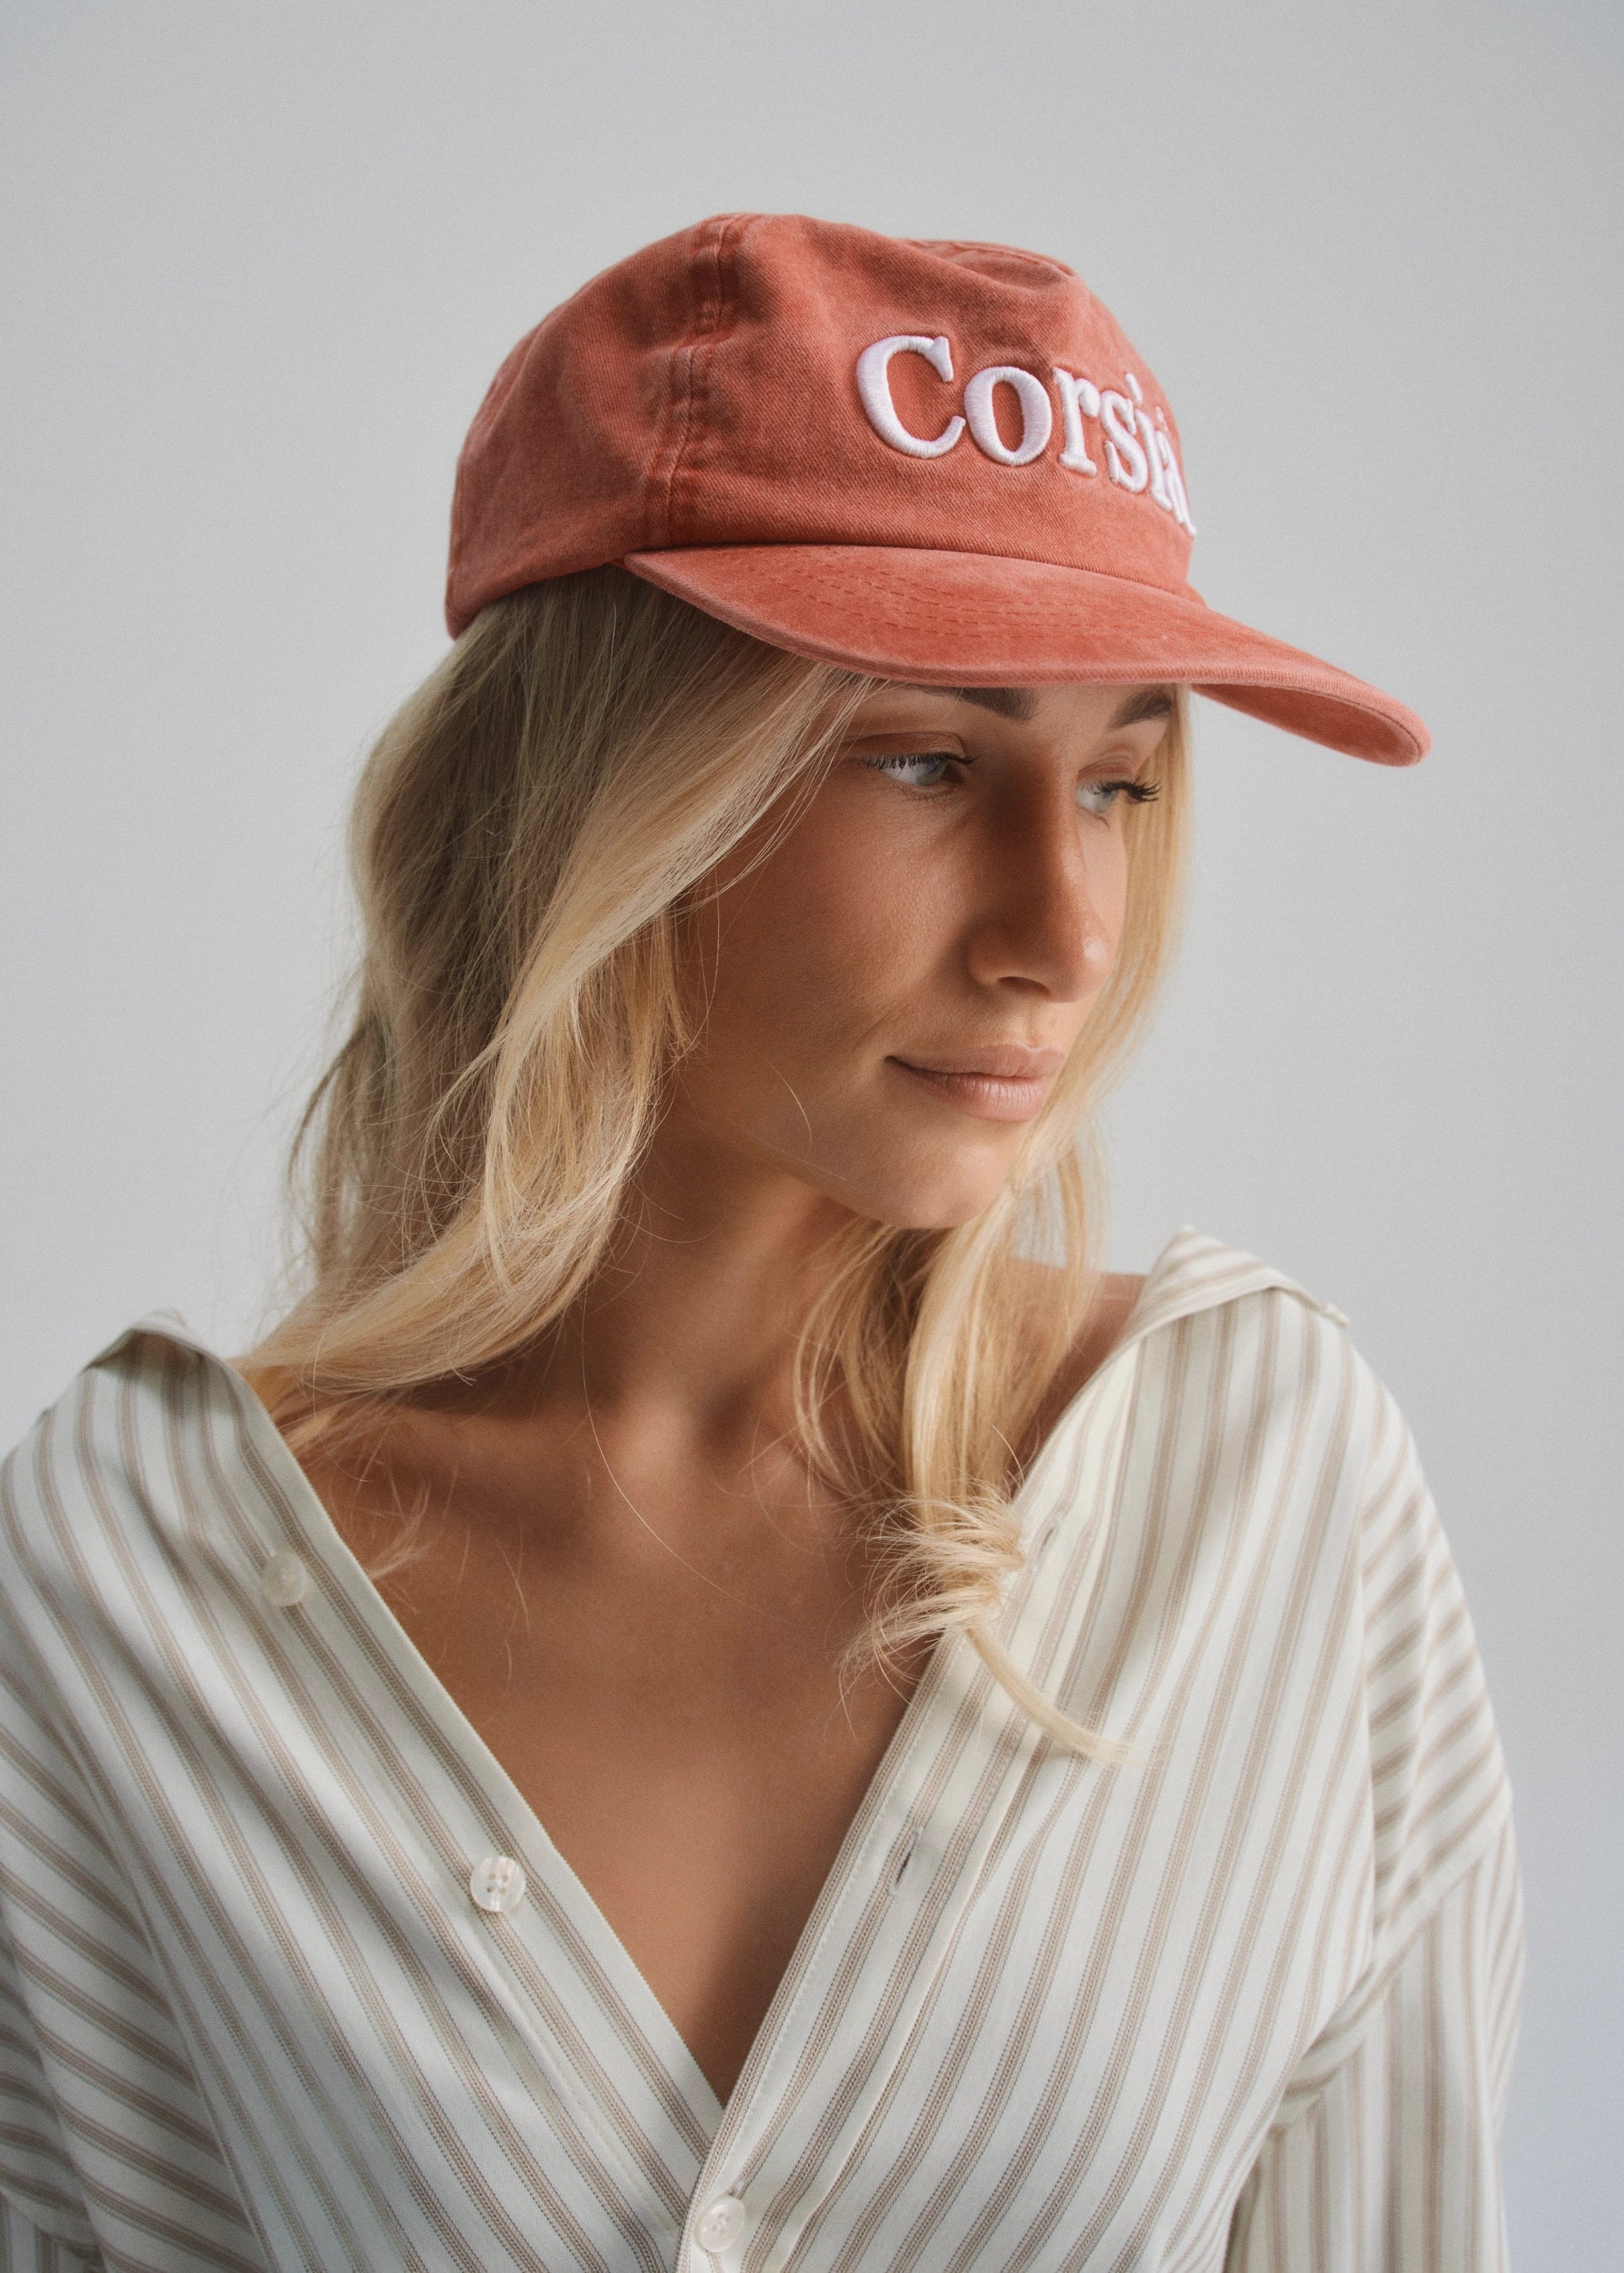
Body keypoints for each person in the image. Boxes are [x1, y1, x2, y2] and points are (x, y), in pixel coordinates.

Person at [0, 214, 1520, 2272]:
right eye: (925, 759)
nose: (1059, 937)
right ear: (595, 804)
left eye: (1120, 785)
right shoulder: (127, 1570)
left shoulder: (1265, 1483)